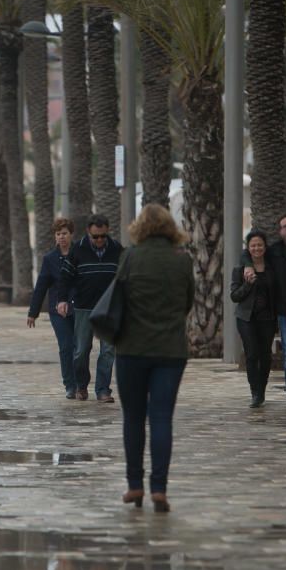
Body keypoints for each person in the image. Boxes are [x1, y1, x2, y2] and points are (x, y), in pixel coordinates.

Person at [113, 204, 194, 513]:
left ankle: (135, 485)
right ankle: (159, 488)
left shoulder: (130, 257)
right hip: (170, 351)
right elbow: (188, 302)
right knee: (161, 418)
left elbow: (118, 297)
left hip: (131, 349)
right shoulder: (181, 259)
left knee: (133, 418)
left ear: (140, 227)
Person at [241, 213, 286, 407]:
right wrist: (247, 264)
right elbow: (249, 251)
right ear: (280, 231)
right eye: (284, 226)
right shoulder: (274, 252)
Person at [56, 214, 123, 402]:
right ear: (88, 232)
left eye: (102, 236)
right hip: (84, 307)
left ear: (107, 231)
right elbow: (65, 277)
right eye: (95, 236)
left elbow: (126, 275)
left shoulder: (117, 249)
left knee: (108, 351)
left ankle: (103, 390)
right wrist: (62, 300)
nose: (100, 240)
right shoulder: (78, 249)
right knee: (81, 351)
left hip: (109, 308)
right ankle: (81, 385)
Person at [27, 218, 77, 399]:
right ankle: (70, 385)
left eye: (64, 233)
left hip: (79, 307)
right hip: (58, 311)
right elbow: (41, 286)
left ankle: (81, 384)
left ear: (71, 234)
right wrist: (33, 313)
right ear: (54, 237)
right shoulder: (50, 259)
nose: (62, 237)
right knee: (65, 346)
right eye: (58, 234)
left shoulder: (80, 253)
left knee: (80, 347)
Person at [231, 230, 279, 408]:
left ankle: (262, 389)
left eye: (260, 245)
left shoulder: (272, 266)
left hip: (267, 317)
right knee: (252, 354)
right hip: (246, 318)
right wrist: (247, 284)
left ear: (265, 247)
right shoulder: (240, 268)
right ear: (248, 248)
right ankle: (255, 393)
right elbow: (234, 296)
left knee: (265, 354)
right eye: (253, 245)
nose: (256, 248)